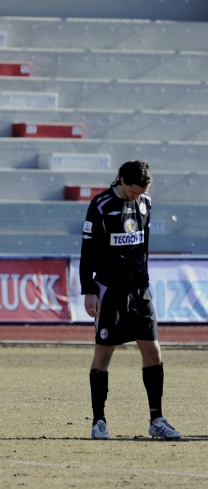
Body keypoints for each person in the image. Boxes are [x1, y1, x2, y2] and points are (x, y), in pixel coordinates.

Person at [80, 160, 181, 441]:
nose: (138, 196)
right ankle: (99, 421)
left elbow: (143, 244)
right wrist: (88, 289)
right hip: (109, 290)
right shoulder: (100, 205)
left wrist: (143, 279)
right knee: (104, 354)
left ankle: (156, 418)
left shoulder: (146, 203)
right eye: (134, 191)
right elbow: (87, 250)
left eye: (142, 192)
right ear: (122, 180)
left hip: (139, 290)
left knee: (153, 352)